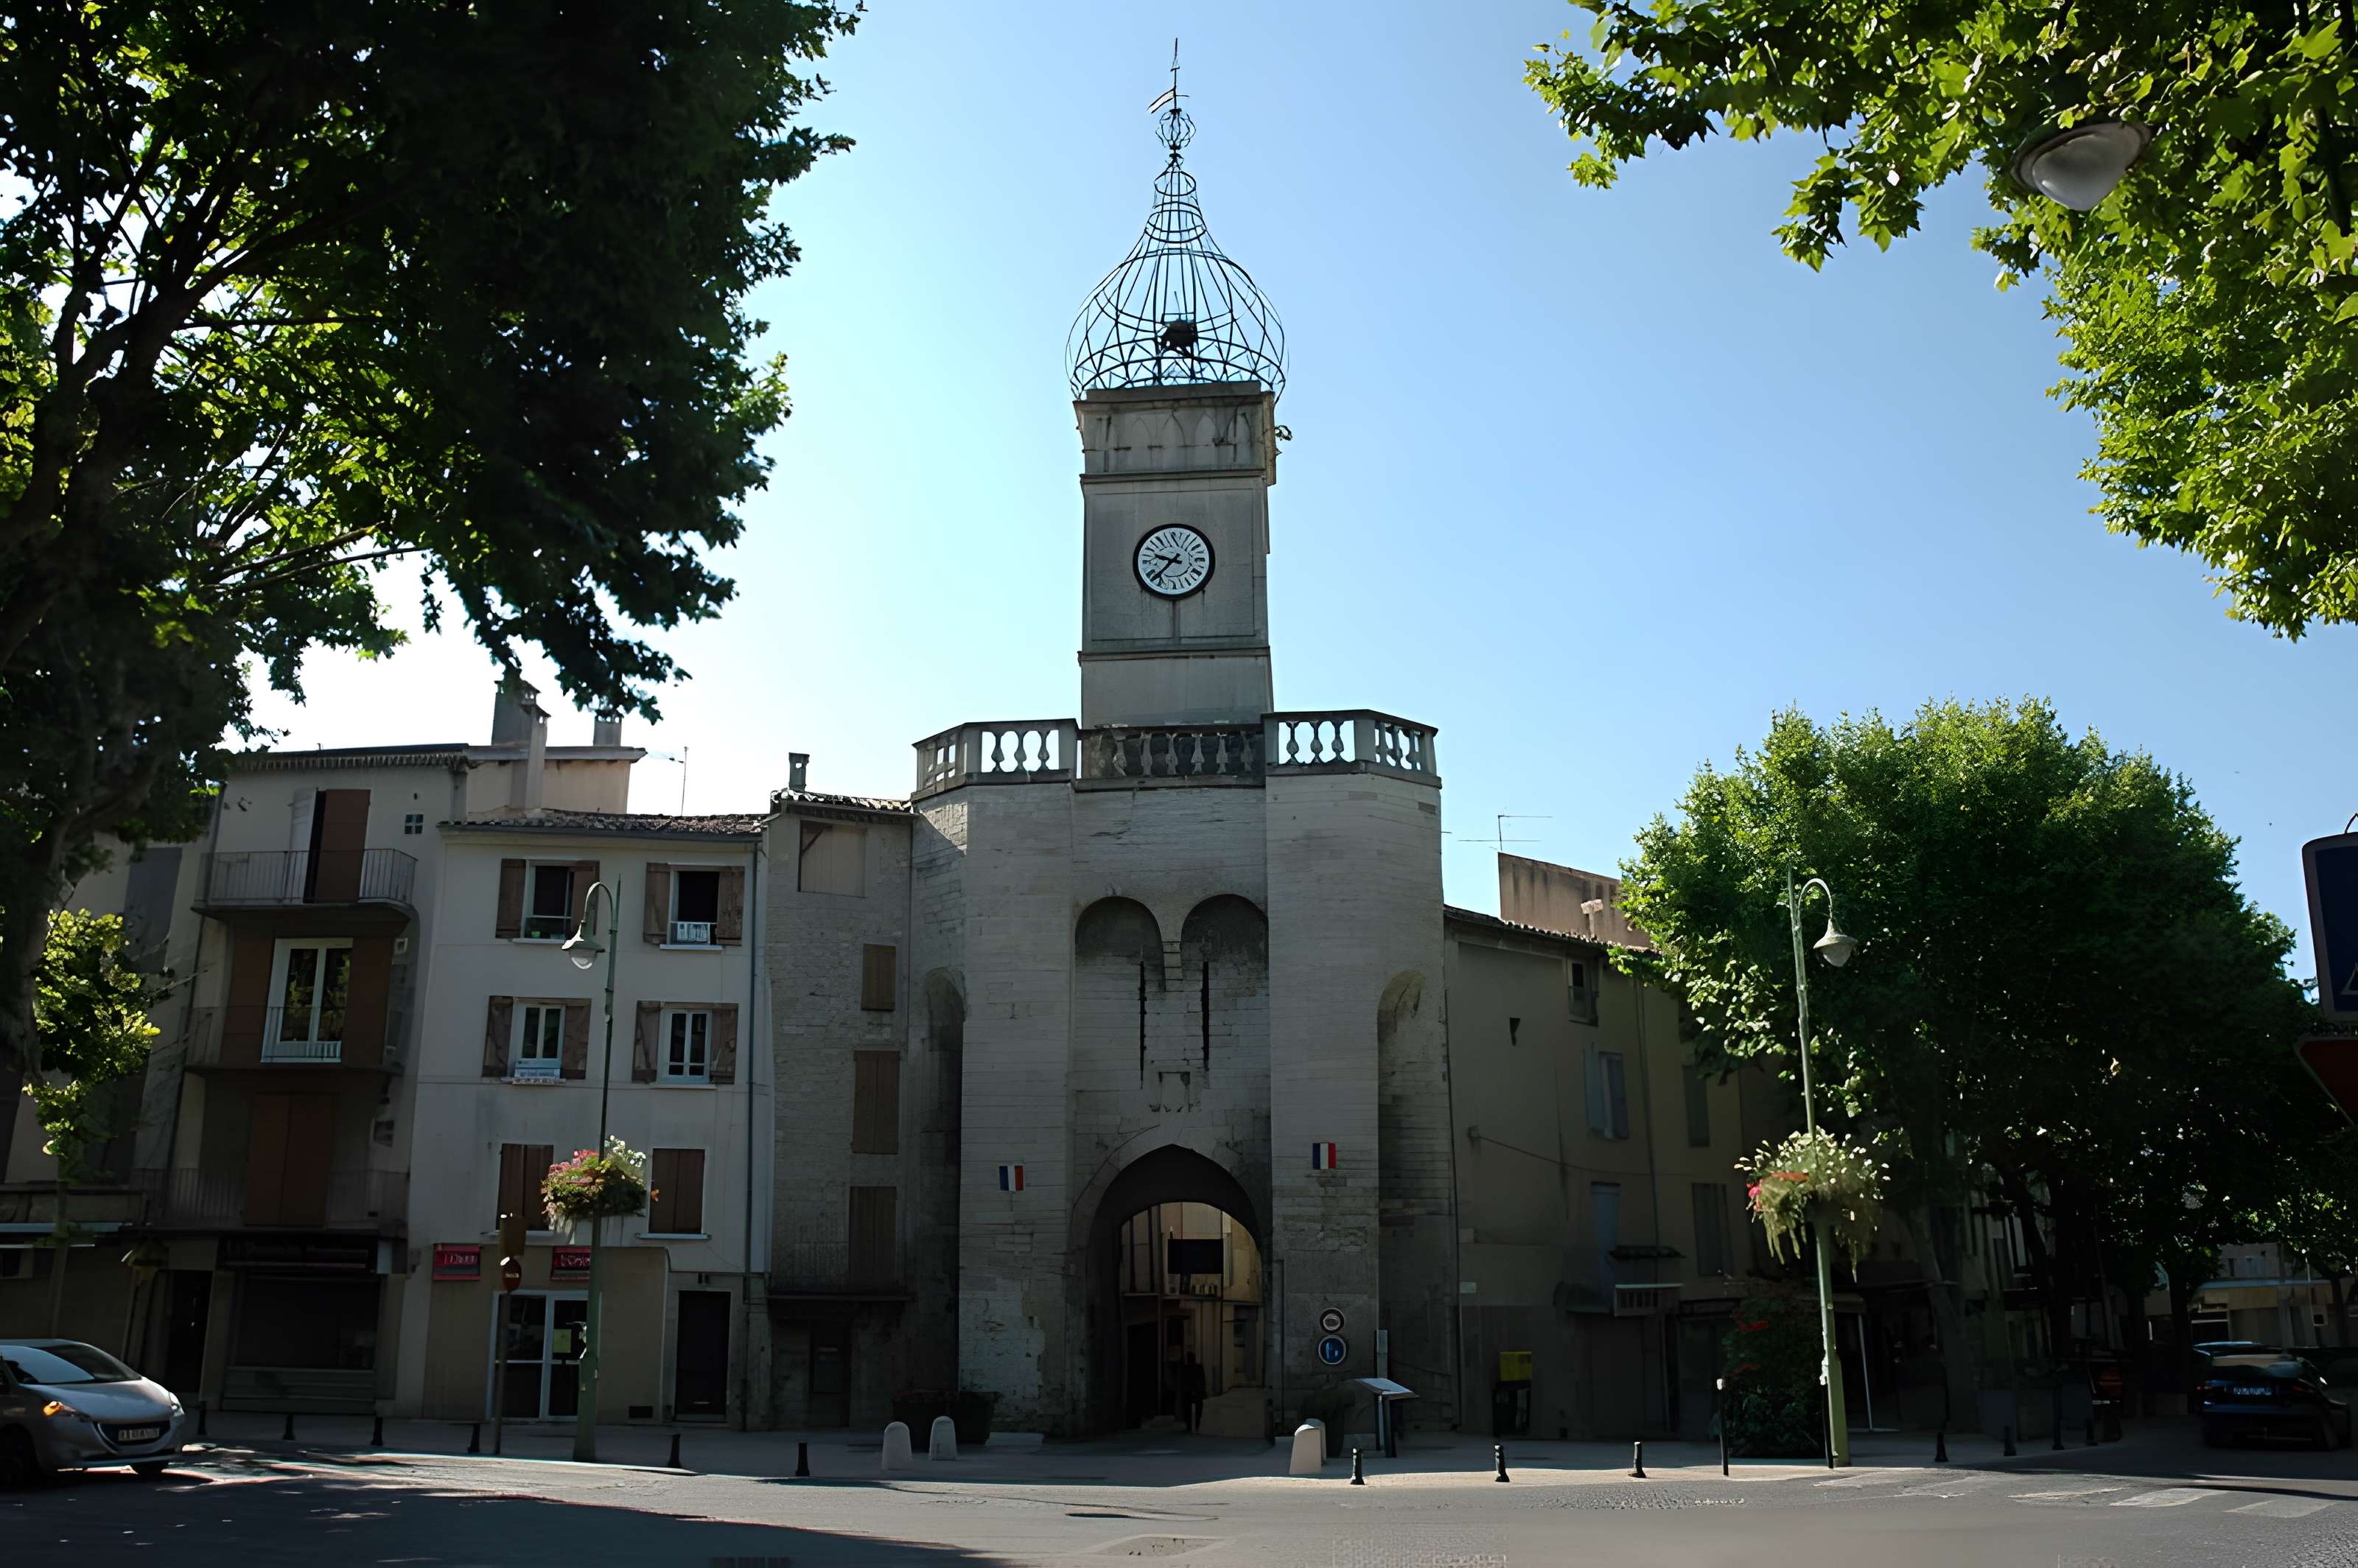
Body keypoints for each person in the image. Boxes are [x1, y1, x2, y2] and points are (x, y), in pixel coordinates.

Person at [1183, 1352, 1206, 1434]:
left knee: (1194, 1409)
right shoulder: (1192, 1368)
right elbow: (1203, 1380)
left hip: (1195, 1391)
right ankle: (1192, 1425)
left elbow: (1202, 1380)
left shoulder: (1194, 1368)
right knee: (1191, 1409)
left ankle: (1193, 1425)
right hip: (1193, 1391)